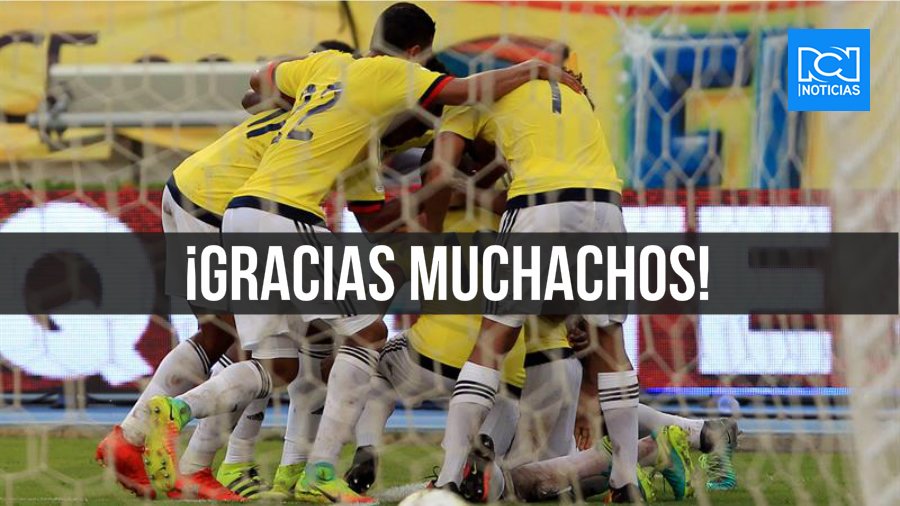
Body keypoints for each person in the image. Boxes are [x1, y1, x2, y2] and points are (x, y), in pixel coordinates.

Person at [424, 64, 644, 502]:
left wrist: (426, 238)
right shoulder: (570, 92)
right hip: (606, 203)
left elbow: (440, 173)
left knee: (492, 340)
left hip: (538, 202)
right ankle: (626, 480)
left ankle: (449, 477)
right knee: (611, 346)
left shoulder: (471, 95)